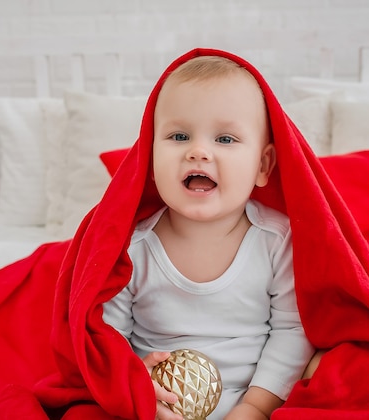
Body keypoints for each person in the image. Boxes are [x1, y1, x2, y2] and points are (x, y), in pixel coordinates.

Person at [102, 55, 316, 419]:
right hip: (156, 403)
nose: (198, 151)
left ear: (262, 166)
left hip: (254, 398)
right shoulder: (131, 248)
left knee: (331, 366)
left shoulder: (276, 241)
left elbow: (293, 329)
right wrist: (136, 382)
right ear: (150, 161)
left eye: (225, 138)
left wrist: (257, 407)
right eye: (179, 136)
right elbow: (107, 339)